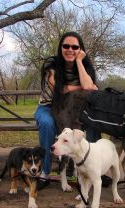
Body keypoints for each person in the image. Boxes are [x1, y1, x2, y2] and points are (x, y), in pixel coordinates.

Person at [34, 31, 101, 190]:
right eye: (66, 46)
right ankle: (45, 171)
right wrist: (87, 87)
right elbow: (62, 88)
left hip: (72, 109)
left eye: (75, 47)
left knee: (92, 123)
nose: (70, 49)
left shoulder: (84, 66)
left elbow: (91, 87)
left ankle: (93, 169)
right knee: (47, 123)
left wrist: (79, 61)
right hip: (48, 107)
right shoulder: (52, 67)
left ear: (80, 49)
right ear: (60, 48)